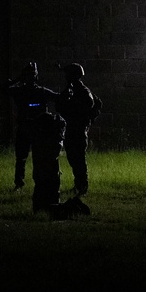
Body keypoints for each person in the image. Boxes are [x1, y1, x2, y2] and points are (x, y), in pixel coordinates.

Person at [5, 62, 63, 211]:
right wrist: (17, 79)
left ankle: (41, 183)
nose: (31, 77)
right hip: (25, 128)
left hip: (39, 131)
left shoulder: (41, 92)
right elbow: (1, 90)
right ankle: (19, 183)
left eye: (33, 74)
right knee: (21, 157)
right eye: (29, 75)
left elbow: (58, 98)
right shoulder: (20, 91)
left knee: (41, 158)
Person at [55, 63, 102, 217]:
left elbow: (91, 104)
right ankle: (78, 184)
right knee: (72, 157)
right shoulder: (72, 89)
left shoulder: (82, 91)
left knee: (78, 158)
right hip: (72, 129)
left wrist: (84, 118)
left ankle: (82, 186)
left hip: (78, 130)